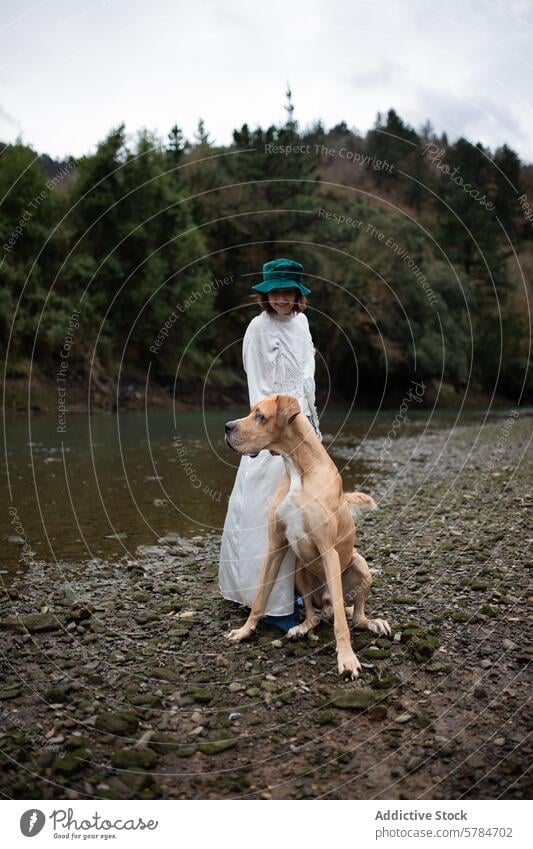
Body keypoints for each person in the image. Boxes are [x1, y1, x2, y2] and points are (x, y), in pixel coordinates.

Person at [218, 258, 322, 632]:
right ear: (265, 295)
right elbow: (258, 388)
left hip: (302, 429)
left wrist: (308, 425)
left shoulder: (304, 323)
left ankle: (303, 590)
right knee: (268, 508)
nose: (281, 298)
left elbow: (306, 380)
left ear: (298, 295)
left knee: (305, 510)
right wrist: (272, 434)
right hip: (272, 429)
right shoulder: (257, 329)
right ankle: (272, 603)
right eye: (274, 292)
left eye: (287, 291)